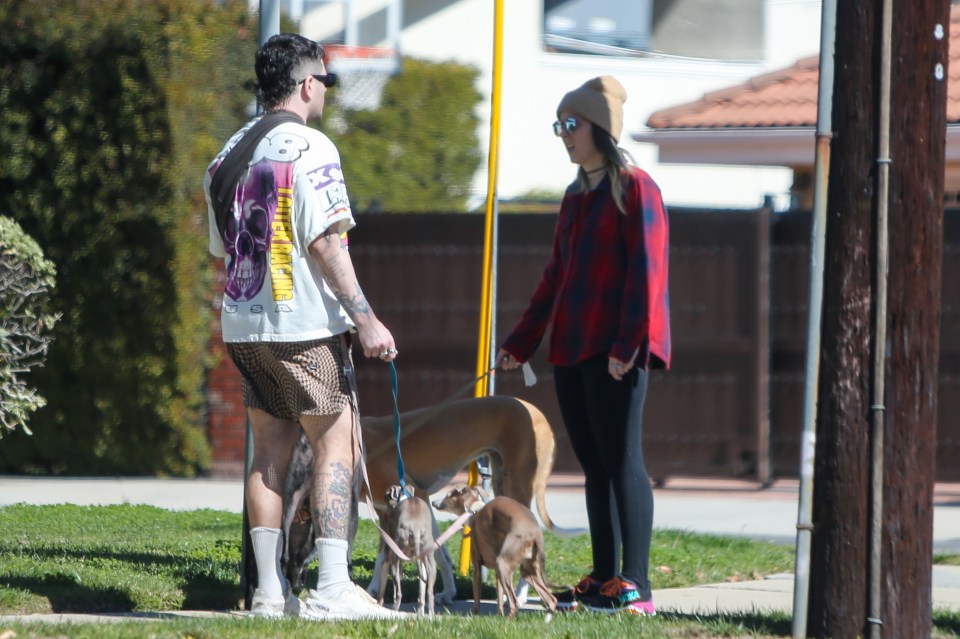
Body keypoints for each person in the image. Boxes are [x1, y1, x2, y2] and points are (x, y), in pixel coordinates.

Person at [204, 33, 405, 621]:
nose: (323, 91)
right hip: (304, 324)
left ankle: (268, 592)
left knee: (266, 451)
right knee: (334, 440)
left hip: (243, 321)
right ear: (307, 84)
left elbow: (224, 250)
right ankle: (335, 585)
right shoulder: (312, 146)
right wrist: (366, 320)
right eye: (323, 81)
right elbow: (324, 241)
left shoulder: (227, 153)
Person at [496, 75, 671, 616]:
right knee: (594, 465)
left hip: (617, 352)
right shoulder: (575, 196)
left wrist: (629, 344)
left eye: (571, 124)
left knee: (623, 461)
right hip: (571, 349)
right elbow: (555, 277)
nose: (564, 135)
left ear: (600, 126)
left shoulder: (637, 187)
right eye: (559, 126)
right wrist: (521, 342)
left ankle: (635, 583)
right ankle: (604, 575)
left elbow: (649, 272)